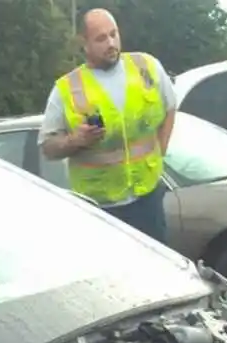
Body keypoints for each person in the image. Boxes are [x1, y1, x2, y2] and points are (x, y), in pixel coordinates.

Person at [39, 8, 179, 244]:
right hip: (101, 210)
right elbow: (47, 147)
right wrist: (75, 141)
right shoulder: (67, 88)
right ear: (84, 43)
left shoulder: (145, 66)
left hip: (148, 199)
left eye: (114, 34)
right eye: (101, 38)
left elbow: (170, 106)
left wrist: (160, 151)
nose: (111, 43)